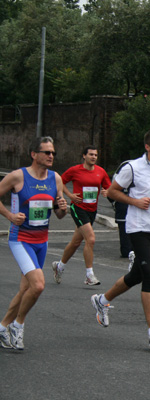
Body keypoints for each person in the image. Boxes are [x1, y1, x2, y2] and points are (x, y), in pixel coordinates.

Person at [91, 129, 150, 349]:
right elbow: (112, 192)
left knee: (136, 274)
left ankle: (102, 301)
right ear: (148, 147)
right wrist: (134, 201)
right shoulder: (132, 167)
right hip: (137, 227)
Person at [0, 137, 68, 350]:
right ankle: (18, 326)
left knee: (26, 290)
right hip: (20, 239)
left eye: (53, 153)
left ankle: (2, 328)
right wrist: (10, 216)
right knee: (38, 285)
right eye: (47, 152)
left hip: (42, 241)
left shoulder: (55, 178)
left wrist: (63, 208)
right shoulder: (18, 176)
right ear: (34, 154)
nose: (51, 156)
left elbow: (58, 213)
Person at [51, 145, 111, 286]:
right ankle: (89, 275)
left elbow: (108, 186)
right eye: (91, 154)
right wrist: (70, 195)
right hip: (78, 208)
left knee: (75, 242)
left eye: (95, 155)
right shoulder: (75, 170)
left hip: (92, 209)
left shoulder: (100, 171)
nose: (93, 157)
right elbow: (60, 181)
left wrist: (106, 191)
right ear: (84, 156)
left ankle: (59, 266)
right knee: (90, 239)